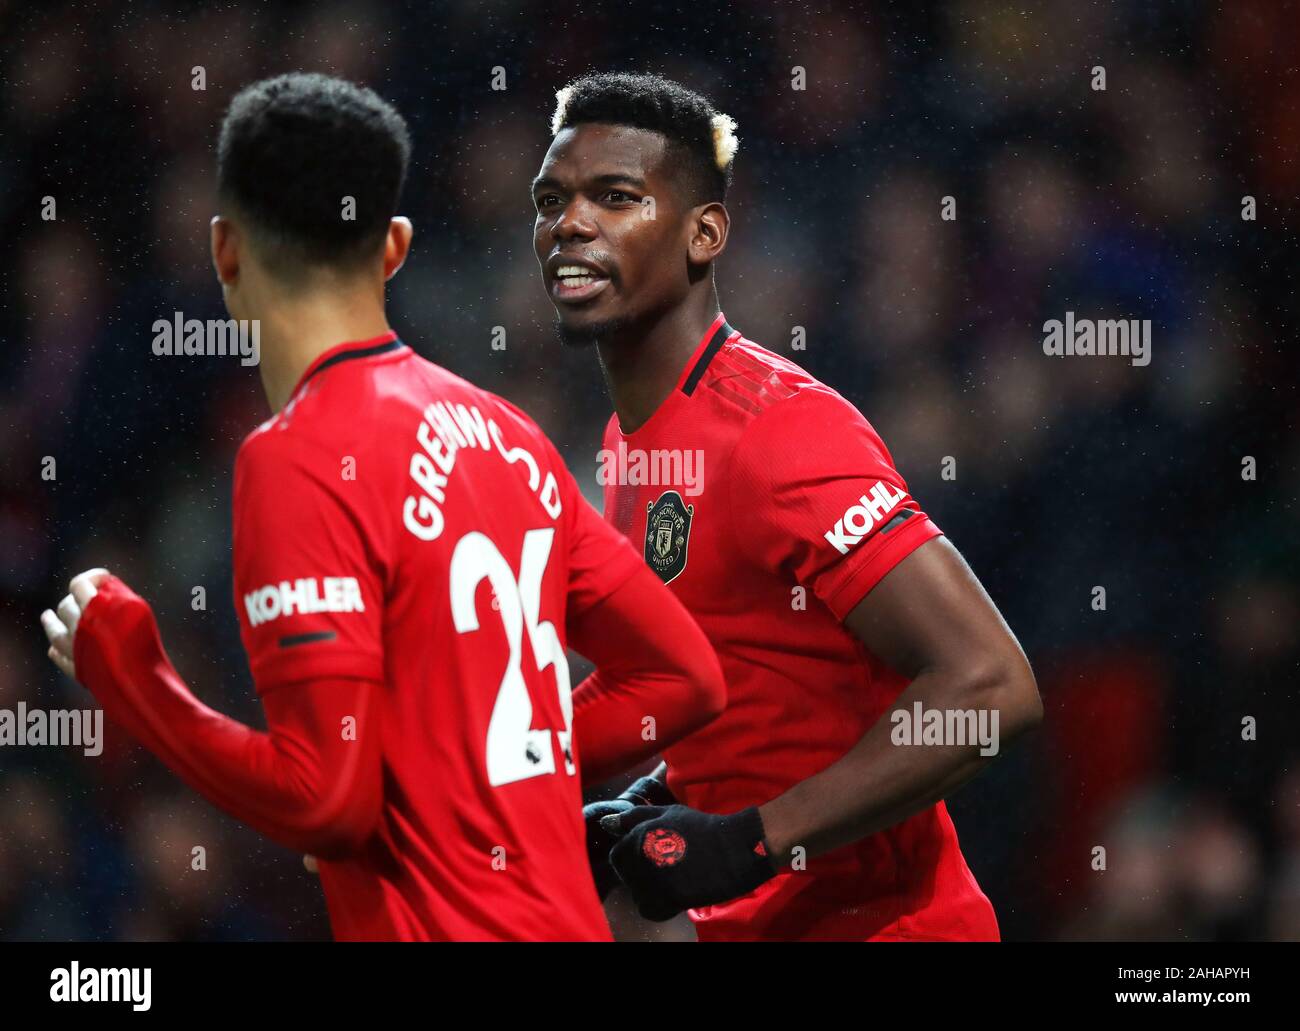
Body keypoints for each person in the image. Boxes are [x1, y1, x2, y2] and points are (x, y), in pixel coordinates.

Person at [40, 72, 725, 942]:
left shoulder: (293, 455)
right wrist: (481, 762)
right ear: (393, 246)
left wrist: (133, 679)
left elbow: (325, 798)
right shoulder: (508, 435)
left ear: (225, 252)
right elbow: (687, 679)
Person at [532, 73, 1042, 940]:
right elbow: (764, 693)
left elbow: (993, 686)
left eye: (615, 197)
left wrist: (758, 840)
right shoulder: (630, 441)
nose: (571, 223)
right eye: (552, 200)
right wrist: (651, 803)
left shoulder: (781, 432)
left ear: (704, 234)